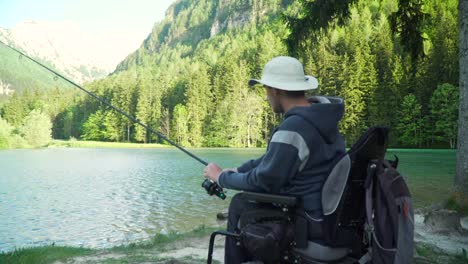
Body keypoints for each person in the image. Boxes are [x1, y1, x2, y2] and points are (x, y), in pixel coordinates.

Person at [203, 56, 346, 263]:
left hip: (308, 223)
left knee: (240, 204)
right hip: (328, 219)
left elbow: (263, 181)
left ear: (275, 90)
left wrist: (221, 178)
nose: (267, 96)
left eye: (266, 90)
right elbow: (268, 160)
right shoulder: (320, 120)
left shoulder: (295, 127)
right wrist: (236, 170)